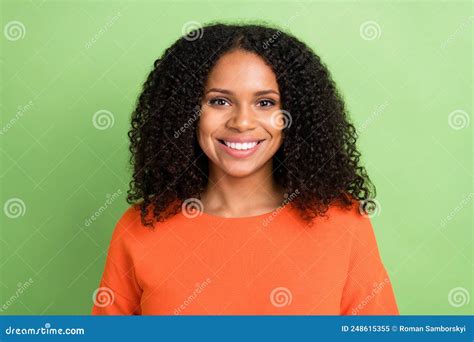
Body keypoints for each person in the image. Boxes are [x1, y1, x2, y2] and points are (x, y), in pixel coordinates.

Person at [91, 23, 399, 315]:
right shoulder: (139, 228)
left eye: (265, 103)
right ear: (186, 111)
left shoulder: (343, 223)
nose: (241, 122)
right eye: (219, 101)